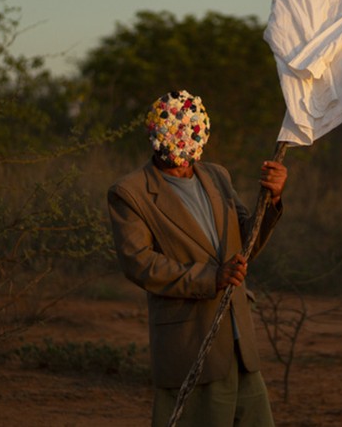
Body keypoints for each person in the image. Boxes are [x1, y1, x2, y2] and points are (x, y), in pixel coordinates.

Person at [107, 90, 287, 427]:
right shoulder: (130, 192)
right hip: (190, 346)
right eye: (175, 140)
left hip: (239, 344)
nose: (183, 155)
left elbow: (245, 243)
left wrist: (273, 198)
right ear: (155, 138)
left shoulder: (216, 175)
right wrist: (211, 278)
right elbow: (140, 264)